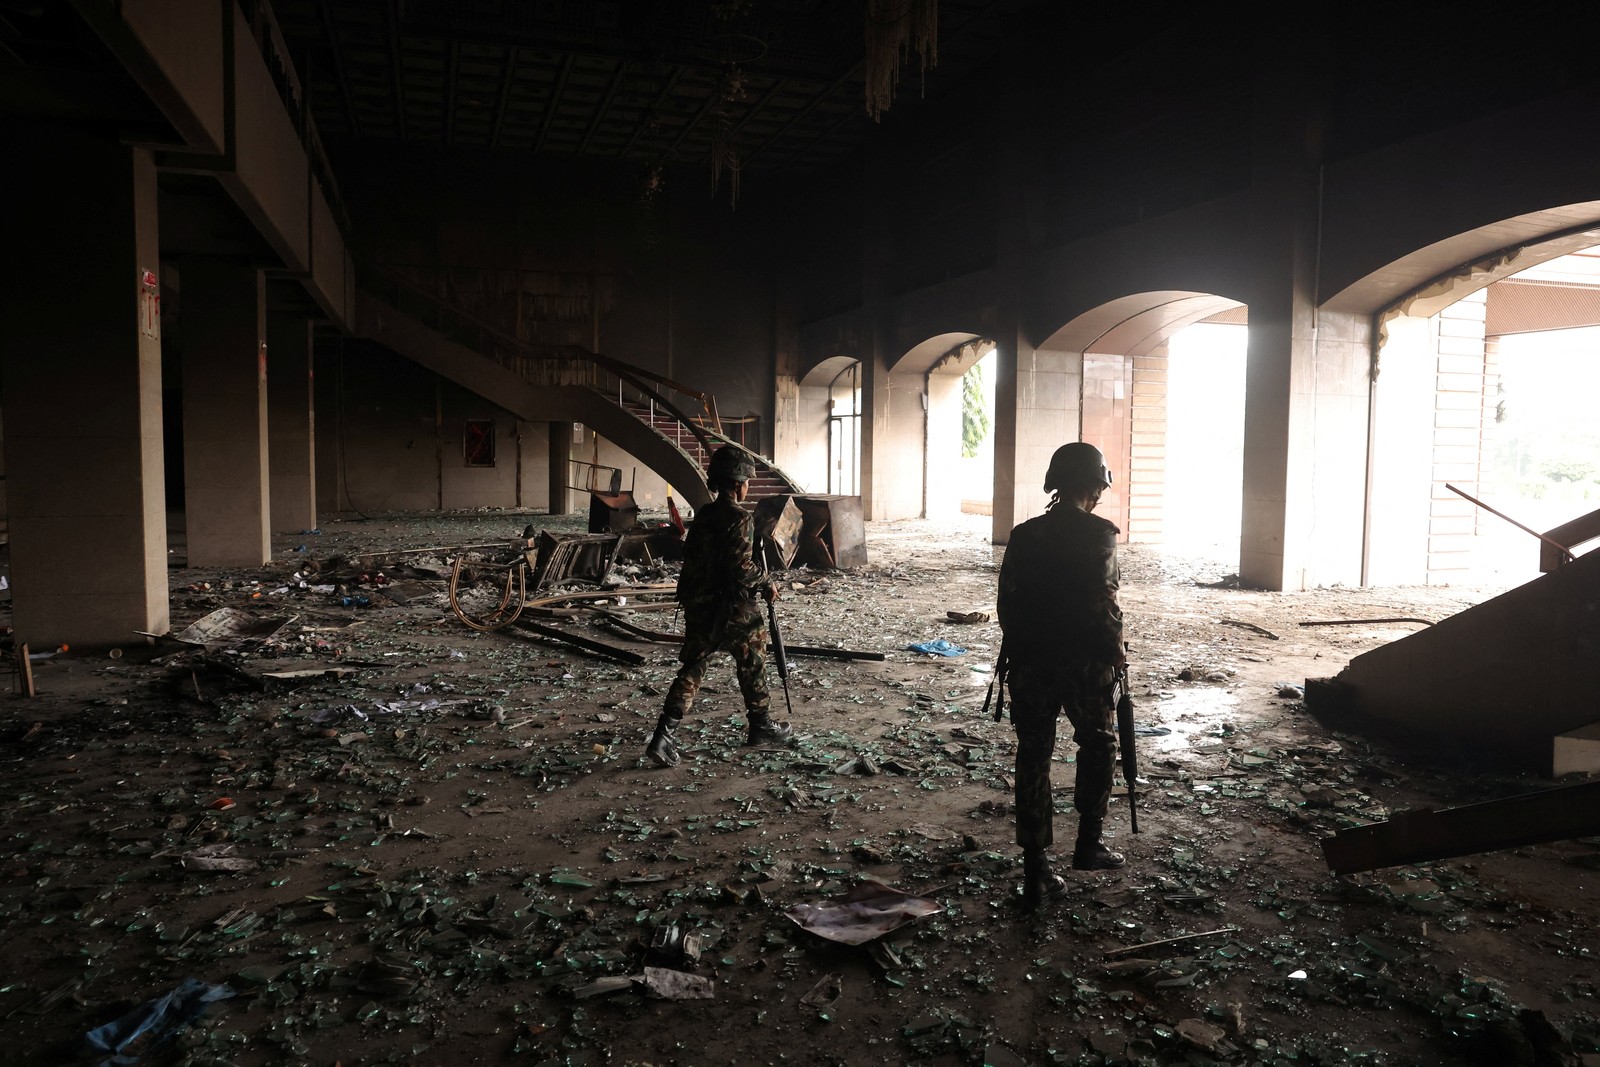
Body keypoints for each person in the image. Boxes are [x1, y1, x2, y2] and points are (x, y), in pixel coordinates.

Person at [997, 441, 1128, 909]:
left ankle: (1036, 872)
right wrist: (1116, 652)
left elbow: (1006, 605)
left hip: (1030, 662)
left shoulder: (1025, 534)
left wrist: (1022, 649)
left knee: (1033, 755)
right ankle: (1088, 844)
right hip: (1083, 664)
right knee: (1099, 744)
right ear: (1093, 485)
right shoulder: (1100, 534)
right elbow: (1102, 604)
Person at [645, 446, 793, 767]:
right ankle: (761, 725)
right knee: (752, 660)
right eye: (747, 481)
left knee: (694, 667)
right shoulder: (740, 518)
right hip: (732, 607)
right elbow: (739, 568)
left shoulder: (705, 515)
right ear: (738, 483)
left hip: (700, 604)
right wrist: (766, 582)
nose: (748, 487)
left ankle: (662, 736)